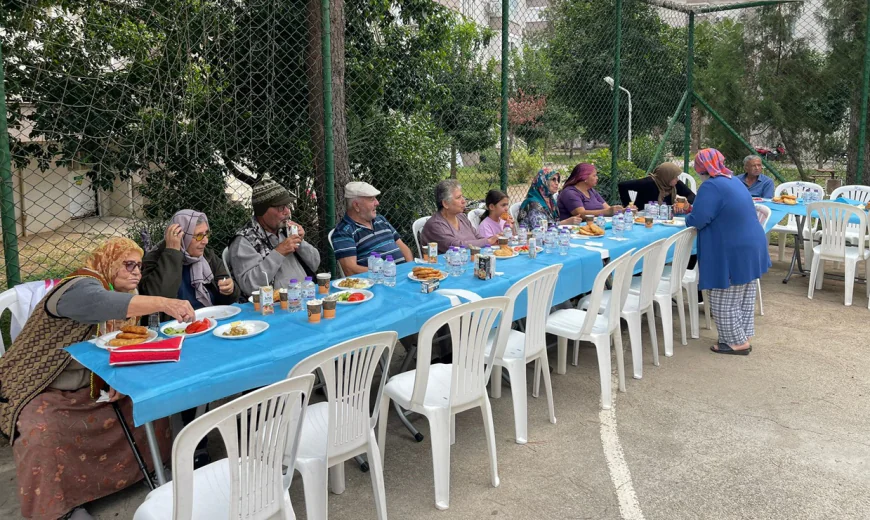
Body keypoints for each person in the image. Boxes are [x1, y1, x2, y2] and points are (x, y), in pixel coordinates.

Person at [0, 237, 195, 520]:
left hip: (89, 382)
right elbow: (101, 303)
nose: (137, 272)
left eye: (139, 266)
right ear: (109, 262)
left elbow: (115, 347)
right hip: (40, 384)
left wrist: (112, 378)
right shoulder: (78, 287)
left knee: (141, 400)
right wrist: (166, 303)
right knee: (40, 428)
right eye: (128, 264)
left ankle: (152, 468)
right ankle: (59, 509)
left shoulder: (123, 296)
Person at [686, 149, 770, 356]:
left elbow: (699, 219)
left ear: (701, 166)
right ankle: (743, 335)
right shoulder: (733, 180)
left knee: (724, 296)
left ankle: (736, 343)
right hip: (752, 244)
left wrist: (688, 216)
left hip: (733, 248)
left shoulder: (711, 185)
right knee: (744, 296)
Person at [228, 174, 320, 299]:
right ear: (262, 210)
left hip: (306, 295)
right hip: (275, 307)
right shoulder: (244, 241)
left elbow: (315, 264)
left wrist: (300, 242)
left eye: (287, 206)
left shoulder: (284, 230)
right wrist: (279, 252)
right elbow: (250, 286)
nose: (287, 211)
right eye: (281, 207)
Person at [140, 209, 239, 313]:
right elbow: (159, 297)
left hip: (210, 319)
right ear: (182, 236)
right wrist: (172, 253)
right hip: (175, 324)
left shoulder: (207, 256)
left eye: (206, 234)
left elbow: (229, 298)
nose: (206, 241)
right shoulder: (155, 258)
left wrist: (229, 290)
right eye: (199, 236)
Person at [331, 182, 413, 275]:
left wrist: (409, 269)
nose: (377, 203)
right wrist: (387, 272)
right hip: (379, 282)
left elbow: (403, 248)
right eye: (371, 199)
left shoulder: (381, 220)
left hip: (404, 275)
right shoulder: (344, 232)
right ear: (356, 206)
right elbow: (350, 270)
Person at [421, 179, 499, 254]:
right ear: (445, 204)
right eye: (458, 198)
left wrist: (494, 240)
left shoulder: (461, 217)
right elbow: (456, 246)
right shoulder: (435, 225)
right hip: (446, 266)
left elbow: (478, 237)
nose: (463, 201)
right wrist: (488, 241)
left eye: (462, 196)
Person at [519, 168, 584, 230]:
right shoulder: (533, 203)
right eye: (553, 179)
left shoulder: (551, 201)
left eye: (557, 180)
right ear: (543, 181)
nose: (557, 183)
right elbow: (540, 228)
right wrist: (566, 222)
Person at [557, 163, 623, 221]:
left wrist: (625, 210)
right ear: (584, 178)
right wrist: (607, 212)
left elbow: (608, 209)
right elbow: (581, 214)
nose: (597, 178)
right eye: (594, 175)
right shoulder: (570, 193)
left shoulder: (591, 190)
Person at [618, 162, 697, 210]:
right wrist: (628, 206)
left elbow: (692, 196)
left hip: (666, 218)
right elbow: (622, 185)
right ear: (667, 176)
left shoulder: (674, 184)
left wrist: (683, 202)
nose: (677, 179)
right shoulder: (648, 183)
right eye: (674, 177)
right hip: (644, 217)